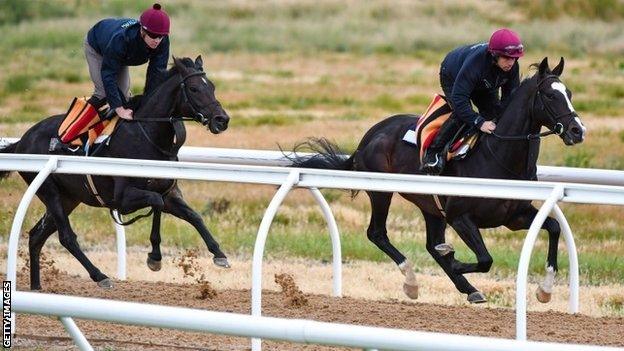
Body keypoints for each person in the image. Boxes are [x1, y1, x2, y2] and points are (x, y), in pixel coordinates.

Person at [420, 28, 524, 175]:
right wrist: (479, 122)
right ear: (494, 55)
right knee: (461, 115)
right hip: (453, 74)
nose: (511, 62)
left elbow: (509, 100)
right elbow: (459, 100)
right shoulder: (476, 63)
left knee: (494, 114)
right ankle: (433, 153)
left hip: (484, 82)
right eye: (507, 58)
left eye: (515, 58)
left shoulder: (512, 67)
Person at [84, 3, 171, 121]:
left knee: (123, 97)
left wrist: (148, 103)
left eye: (160, 36)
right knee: (103, 93)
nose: (157, 40)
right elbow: (108, 73)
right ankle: (66, 132)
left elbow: (156, 73)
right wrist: (119, 109)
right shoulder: (122, 39)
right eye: (153, 35)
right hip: (97, 45)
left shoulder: (163, 42)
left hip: (121, 56)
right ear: (142, 30)